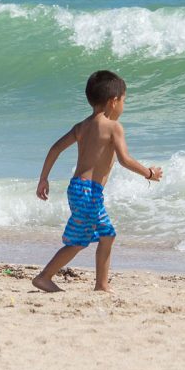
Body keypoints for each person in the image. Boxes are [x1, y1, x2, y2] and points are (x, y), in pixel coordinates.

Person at [32, 70, 163, 293]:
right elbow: (124, 159)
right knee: (92, 238)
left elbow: (55, 149)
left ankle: (93, 284)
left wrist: (43, 178)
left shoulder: (81, 127)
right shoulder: (114, 127)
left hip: (77, 188)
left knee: (95, 238)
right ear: (113, 102)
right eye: (124, 100)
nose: (124, 105)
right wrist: (148, 173)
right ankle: (52, 278)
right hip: (89, 192)